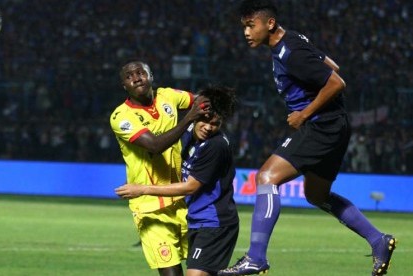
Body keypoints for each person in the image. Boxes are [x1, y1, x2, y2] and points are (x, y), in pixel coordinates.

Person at [218, 1, 396, 275]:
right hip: (335, 126)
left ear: (270, 23)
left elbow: (336, 82)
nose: (246, 32)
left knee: (266, 177)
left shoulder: (291, 52)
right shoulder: (292, 41)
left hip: (320, 126)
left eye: (250, 25)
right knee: (316, 194)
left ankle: (256, 257)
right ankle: (378, 240)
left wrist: (303, 114)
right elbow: (332, 65)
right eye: (244, 26)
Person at [116, 84, 239, 276]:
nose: (208, 127)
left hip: (215, 223)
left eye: (215, 124)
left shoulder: (215, 146)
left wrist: (142, 189)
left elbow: (190, 186)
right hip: (196, 220)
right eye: (205, 120)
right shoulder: (190, 134)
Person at [110, 60, 210, 276]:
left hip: (183, 201)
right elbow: (154, 146)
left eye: (140, 73)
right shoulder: (121, 117)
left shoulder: (168, 96)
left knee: (203, 271)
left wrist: (205, 116)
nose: (136, 78)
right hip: (150, 207)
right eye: (129, 76)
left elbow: (201, 101)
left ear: (151, 76)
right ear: (124, 86)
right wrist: (190, 119)